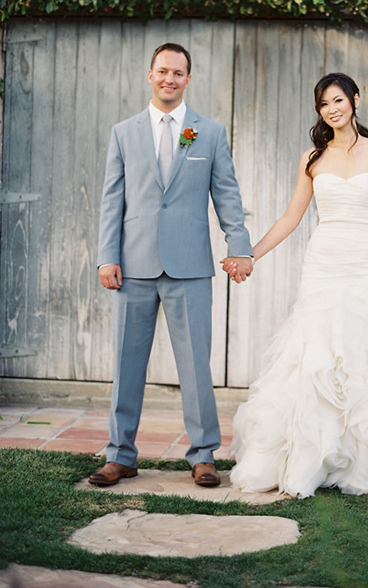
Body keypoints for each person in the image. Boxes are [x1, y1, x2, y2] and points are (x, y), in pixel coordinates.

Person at [222, 72, 368, 498]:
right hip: (322, 263)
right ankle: (311, 454)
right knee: (315, 352)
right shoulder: (313, 158)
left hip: (366, 262)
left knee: (361, 351)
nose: (332, 109)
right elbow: (291, 217)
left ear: (355, 100)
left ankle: (361, 459)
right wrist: (250, 254)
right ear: (320, 111)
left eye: (339, 99)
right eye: (324, 103)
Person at [89, 42, 253, 489]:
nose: (169, 79)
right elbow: (111, 201)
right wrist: (107, 255)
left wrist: (240, 248)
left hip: (190, 267)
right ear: (150, 75)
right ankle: (120, 455)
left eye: (178, 73)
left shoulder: (210, 132)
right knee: (127, 365)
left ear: (188, 79)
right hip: (133, 265)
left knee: (196, 366)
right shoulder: (124, 132)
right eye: (162, 71)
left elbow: (228, 197)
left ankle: (203, 456)